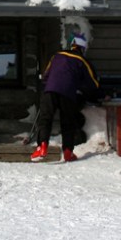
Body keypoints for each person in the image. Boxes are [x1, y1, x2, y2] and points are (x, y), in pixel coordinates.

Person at [30, 32, 101, 163]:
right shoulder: (82, 61)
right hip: (68, 93)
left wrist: (49, 85)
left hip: (50, 90)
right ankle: (68, 152)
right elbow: (93, 83)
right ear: (82, 48)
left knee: (45, 119)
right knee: (68, 122)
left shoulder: (57, 56)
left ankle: (42, 147)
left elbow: (46, 76)